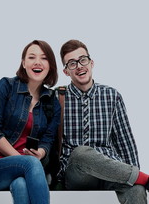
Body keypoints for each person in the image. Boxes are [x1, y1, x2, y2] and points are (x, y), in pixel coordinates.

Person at [57, 39, 148, 203]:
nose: (79, 66)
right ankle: (146, 179)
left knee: (137, 189)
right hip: (77, 174)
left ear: (91, 63)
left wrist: (133, 173)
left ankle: (141, 180)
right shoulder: (57, 97)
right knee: (81, 153)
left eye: (82, 60)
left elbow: (124, 140)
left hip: (111, 171)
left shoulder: (112, 96)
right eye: (72, 63)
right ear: (66, 72)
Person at [0, 40, 60, 204]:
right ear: (24, 63)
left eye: (44, 58)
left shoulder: (52, 100)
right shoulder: (6, 87)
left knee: (20, 185)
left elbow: (48, 138)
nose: (37, 62)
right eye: (32, 57)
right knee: (30, 165)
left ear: (50, 65)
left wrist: (41, 153)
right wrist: (23, 160)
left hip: (28, 170)